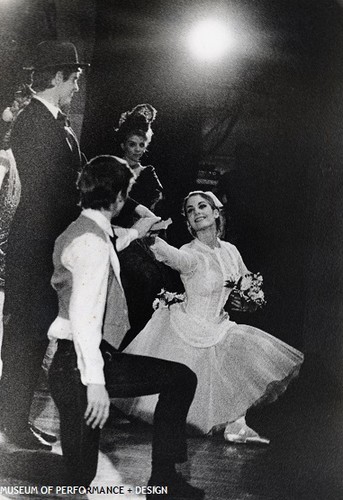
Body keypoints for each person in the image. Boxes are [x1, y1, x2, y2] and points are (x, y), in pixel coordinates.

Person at [48, 155, 204, 499]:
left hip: (76, 362)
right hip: (80, 365)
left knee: (180, 378)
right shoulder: (91, 244)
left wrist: (137, 232)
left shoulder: (86, 230)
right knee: (77, 477)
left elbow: (111, 239)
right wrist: (97, 385)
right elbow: (85, 321)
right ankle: (9, 463)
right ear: (120, 199)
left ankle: (165, 482)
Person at [114, 191, 304, 443]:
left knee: (241, 353)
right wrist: (150, 240)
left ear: (216, 212)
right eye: (190, 211)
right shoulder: (190, 252)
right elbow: (175, 257)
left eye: (202, 206)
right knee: (178, 399)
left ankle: (236, 424)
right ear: (189, 223)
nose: (197, 212)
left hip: (219, 325)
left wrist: (248, 303)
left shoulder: (230, 251)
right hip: (188, 327)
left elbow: (248, 287)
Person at [0, 41, 88, 450]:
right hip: (36, 247)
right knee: (25, 337)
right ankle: (12, 424)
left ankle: (13, 421)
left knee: (32, 337)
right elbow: (48, 190)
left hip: (45, 245)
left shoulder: (56, 121)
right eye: (74, 79)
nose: (76, 87)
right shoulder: (34, 121)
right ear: (57, 78)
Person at [112, 104, 183, 349]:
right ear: (123, 145)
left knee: (148, 279)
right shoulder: (109, 169)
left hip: (137, 240)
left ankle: (132, 346)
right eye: (132, 144)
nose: (138, 150)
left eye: (142, 145)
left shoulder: (148, 175)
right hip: (109, 235)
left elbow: (154, 212)